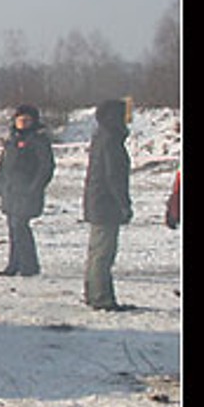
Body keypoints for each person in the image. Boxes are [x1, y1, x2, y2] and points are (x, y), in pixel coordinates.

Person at [82, 98, 134, 310]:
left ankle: (94, 294)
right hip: (106, 204)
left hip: (97, 202)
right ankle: (101, 298)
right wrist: (124, 204)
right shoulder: (111, 140)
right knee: (103, 253)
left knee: (96, 252)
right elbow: (115, 176)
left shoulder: (102, 137)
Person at [0, 104, 55, 276]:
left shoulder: (39, 140)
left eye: (27, 120)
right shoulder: (12, 140)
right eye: (20, 120)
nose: (22, 123)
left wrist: (34, 187)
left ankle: (29, 265)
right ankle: (14, 264)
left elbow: (46, 167)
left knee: (20, 226)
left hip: (27, 192)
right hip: (10, 191)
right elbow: (4, 164)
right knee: (13, 229)